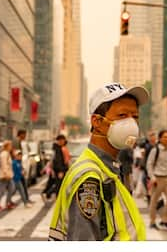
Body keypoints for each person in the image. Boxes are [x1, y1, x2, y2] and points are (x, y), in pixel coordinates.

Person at [49, 82, 149, 241]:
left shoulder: (109, 169)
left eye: (135, 116)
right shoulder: (90, 177)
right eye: (122, 115)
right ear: (97, 122)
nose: (132, 123)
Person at [147, 130, 167, 231]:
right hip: (157, 178)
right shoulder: (155, 150)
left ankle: (165, 220)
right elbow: (149, 164)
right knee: (154, 201)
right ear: (160, 138)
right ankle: (152, 221)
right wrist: (152, 177)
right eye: (165, 137)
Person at [44, 134, 69, 201]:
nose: (61, 141)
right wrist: (61, 171)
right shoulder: (58, 149)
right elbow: (58, 161)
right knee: (59, 185)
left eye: (62, 140)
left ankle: (48, 194)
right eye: (59, 140)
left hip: (61, 169)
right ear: (57, 141)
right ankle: (49, 194)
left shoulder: (61, 148)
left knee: (58, 184)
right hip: (59, 170)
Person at [0, 140, 15, 211]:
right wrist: (6, 173)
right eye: (10, 146)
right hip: (4, 175)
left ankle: (7, 203)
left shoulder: (7, 153)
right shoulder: (4, 154)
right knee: (2, 190)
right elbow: (4, 165)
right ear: (7, 146)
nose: (11, 147)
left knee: (12, 188)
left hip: (8, 174)